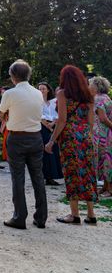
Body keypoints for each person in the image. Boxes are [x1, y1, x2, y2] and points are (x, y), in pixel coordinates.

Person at [46, 66, 97, 225]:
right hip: (86, 137)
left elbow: (62, 120)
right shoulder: (88, 95)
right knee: (88, 173)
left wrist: (52, 140)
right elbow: (90, 122)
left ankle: (74, 215)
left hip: (69, 138)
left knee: (72, 173)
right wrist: (87, 137)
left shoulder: (62, 94)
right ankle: (91, 214)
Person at [0, 59, 47, 230]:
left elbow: (1, 114)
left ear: (13, 76)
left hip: (17, 138)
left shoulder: (10, 94)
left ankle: (20, 217)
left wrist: (7, 116)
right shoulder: (37, 93)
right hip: (36, 137)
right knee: (38, 177)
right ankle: (41, 217)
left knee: (18, 178)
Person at [89, 76, 112, 197]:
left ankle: (109, 189)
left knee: (105, 159)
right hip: (104, 133)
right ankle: (104, 187)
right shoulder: (105, 97)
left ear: (96, 86)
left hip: (103, 134)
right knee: (105, 159)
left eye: (91, 84)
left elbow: (103, 118)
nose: (89, 87)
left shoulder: (98, 99)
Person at [38, 82, 63, 186]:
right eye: (39, 89)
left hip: (54, 126)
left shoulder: (54, 101)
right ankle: (45, 176)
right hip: (43, 127)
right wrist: (47, 125)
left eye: (43, 89)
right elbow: (39, 114)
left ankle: (52, 176)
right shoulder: (37, 102)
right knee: (44, 152)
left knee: (53, 150)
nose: (41, 91)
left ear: (48, 90)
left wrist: (52, 124)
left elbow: (58, 114)